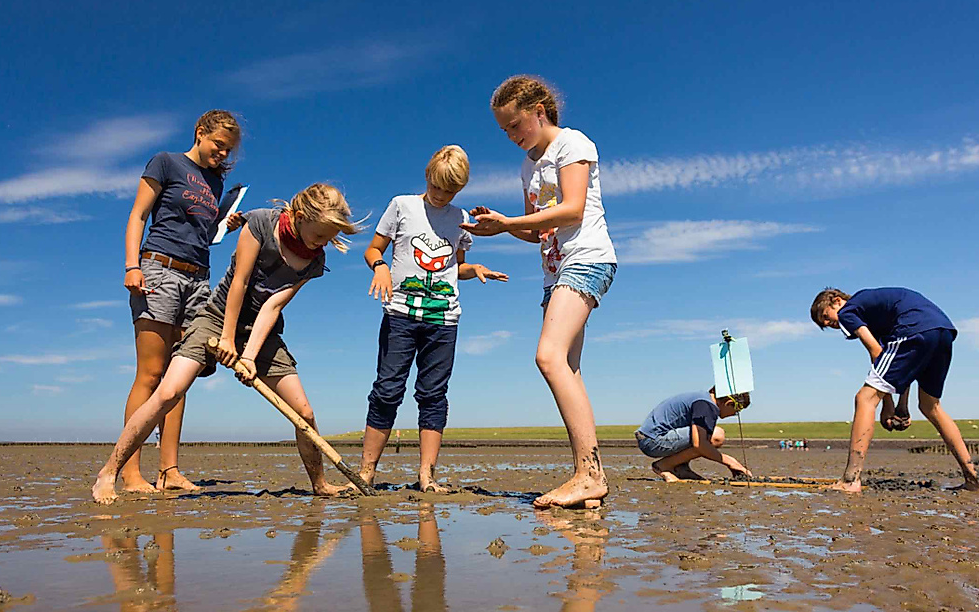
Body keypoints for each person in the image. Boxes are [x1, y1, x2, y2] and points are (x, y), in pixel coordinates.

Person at [93, 184, 360, 504]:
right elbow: (239, 283)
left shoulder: (314, 261)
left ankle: (320, 483)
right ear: (300, 217)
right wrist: (227, 339)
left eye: (329, 238)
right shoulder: (260, 223)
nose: (322, 243)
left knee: (304, 411)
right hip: (217, 318)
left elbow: (273, 306)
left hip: (261, 331)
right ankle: (109, 473)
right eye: (319, 235)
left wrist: (248, 357)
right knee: (168, 392)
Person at [462, 75, 618, 509]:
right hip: (555, 271)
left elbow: (572, 210)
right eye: (504, 130)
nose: (511, 136)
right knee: (567, 368)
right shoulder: (528, 166)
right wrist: (498, 227)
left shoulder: (573, 144)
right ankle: (589, 477)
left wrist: (509, 222)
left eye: (515, 125)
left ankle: (589, 475)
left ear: (539, 112)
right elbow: (538, 232)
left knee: (547, 356)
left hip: (587, 258)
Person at [359, 145, 507, 492]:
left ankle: (427, 476)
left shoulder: (460, 218)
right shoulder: (402, 206)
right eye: (437, 187)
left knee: (433, 394)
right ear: (427, 176)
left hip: (443, 321)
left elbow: (455, 267)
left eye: (450, 191)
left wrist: (475, 269)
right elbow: (373, 249)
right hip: (400, 315)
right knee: (387, 390)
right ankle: (366, 473)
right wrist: (380, 267)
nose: (441, 195)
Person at [121, 110, 244, 494]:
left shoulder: (215, 182)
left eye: (228, 150)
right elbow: (139, 215)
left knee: (180, 377)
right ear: (200, 133)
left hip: (198, 279)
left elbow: (203, 234)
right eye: (218, 145)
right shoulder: (166, 162)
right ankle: (129, 472)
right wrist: (132, 265)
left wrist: (224, 225)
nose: (222, 154)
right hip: (159, 270)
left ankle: (169, 471)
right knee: (151, 374)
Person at [811, 287, 979, 493]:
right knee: (931, 406)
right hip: (942, 331)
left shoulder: (848, 311)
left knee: (865, 399)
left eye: (825, 316)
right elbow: (901, 365)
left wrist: (887, 405)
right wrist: (901, 406)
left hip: (915, 329)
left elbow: (876, 352)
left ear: (837, 300)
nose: (827, 323)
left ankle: (850, 479)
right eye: (822, 324)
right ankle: (974, 480)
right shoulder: (875, 313)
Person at [635, 390, 752, 482]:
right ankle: (664, 466)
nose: (734, 414)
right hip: (652, 441)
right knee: (716, 436)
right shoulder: (706, 405)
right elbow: (699, 444)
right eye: (736, 411)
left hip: (650, 438)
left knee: (705, 434)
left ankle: (679, 467)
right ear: (729, 403)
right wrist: (731, 462)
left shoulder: (703, 399)